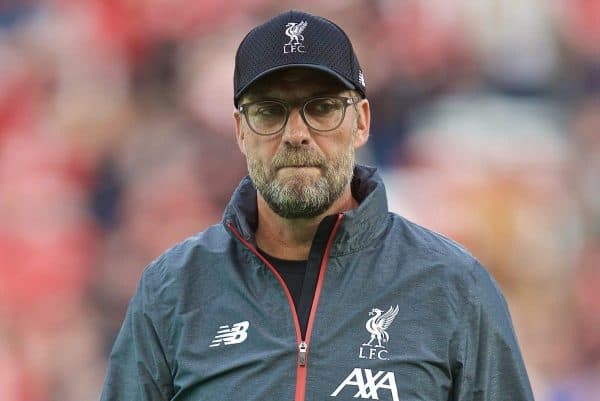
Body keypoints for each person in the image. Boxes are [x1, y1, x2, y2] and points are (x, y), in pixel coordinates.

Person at [100, 10, 534, 401]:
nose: (296, 133)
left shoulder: (452, 286)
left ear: (361, 121)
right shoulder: (172, 291)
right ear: (240, 131)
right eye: (270, 111)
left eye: (322, 108)